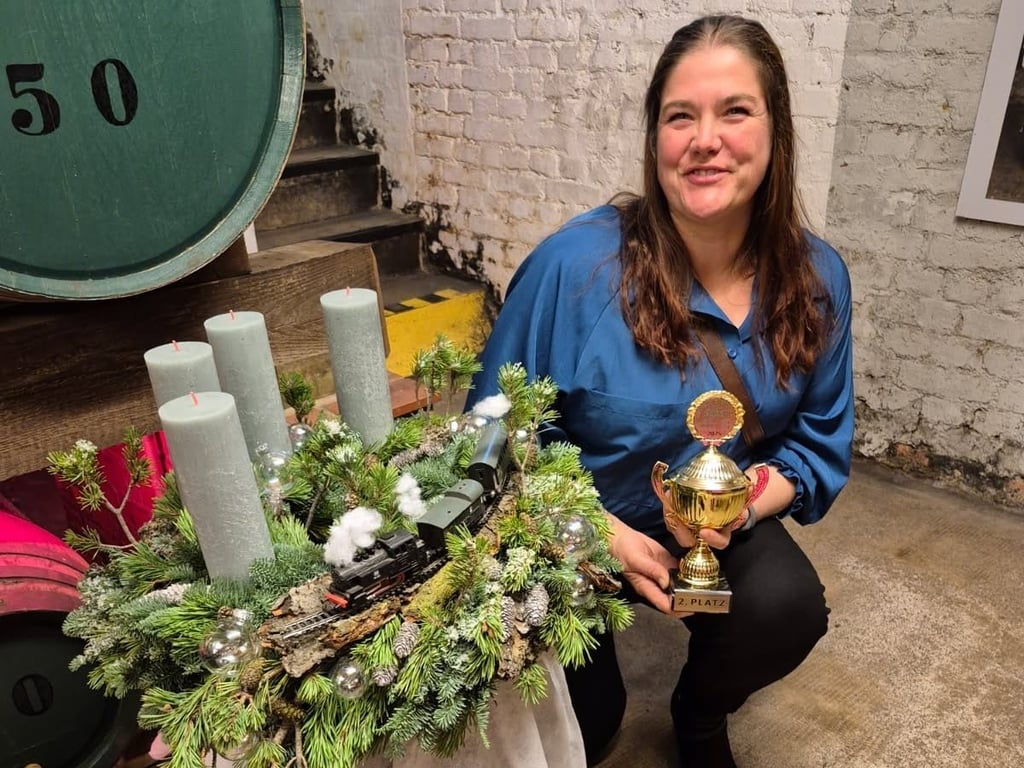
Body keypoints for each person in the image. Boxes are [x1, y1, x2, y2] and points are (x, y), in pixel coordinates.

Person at [465, 14, 854, 768]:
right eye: (681, 117)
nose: (705, 139)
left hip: (710, 528)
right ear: (655, 141)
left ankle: (699, 713)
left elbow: (817, 441)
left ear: (776, 132)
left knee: (784, 610)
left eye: (734, 111)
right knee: (594, 722)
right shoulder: (572, 269)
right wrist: (592, 533)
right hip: (568, 528)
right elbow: (491, 438)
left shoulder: (817, 281)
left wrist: (740, 500)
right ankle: (594, 639)